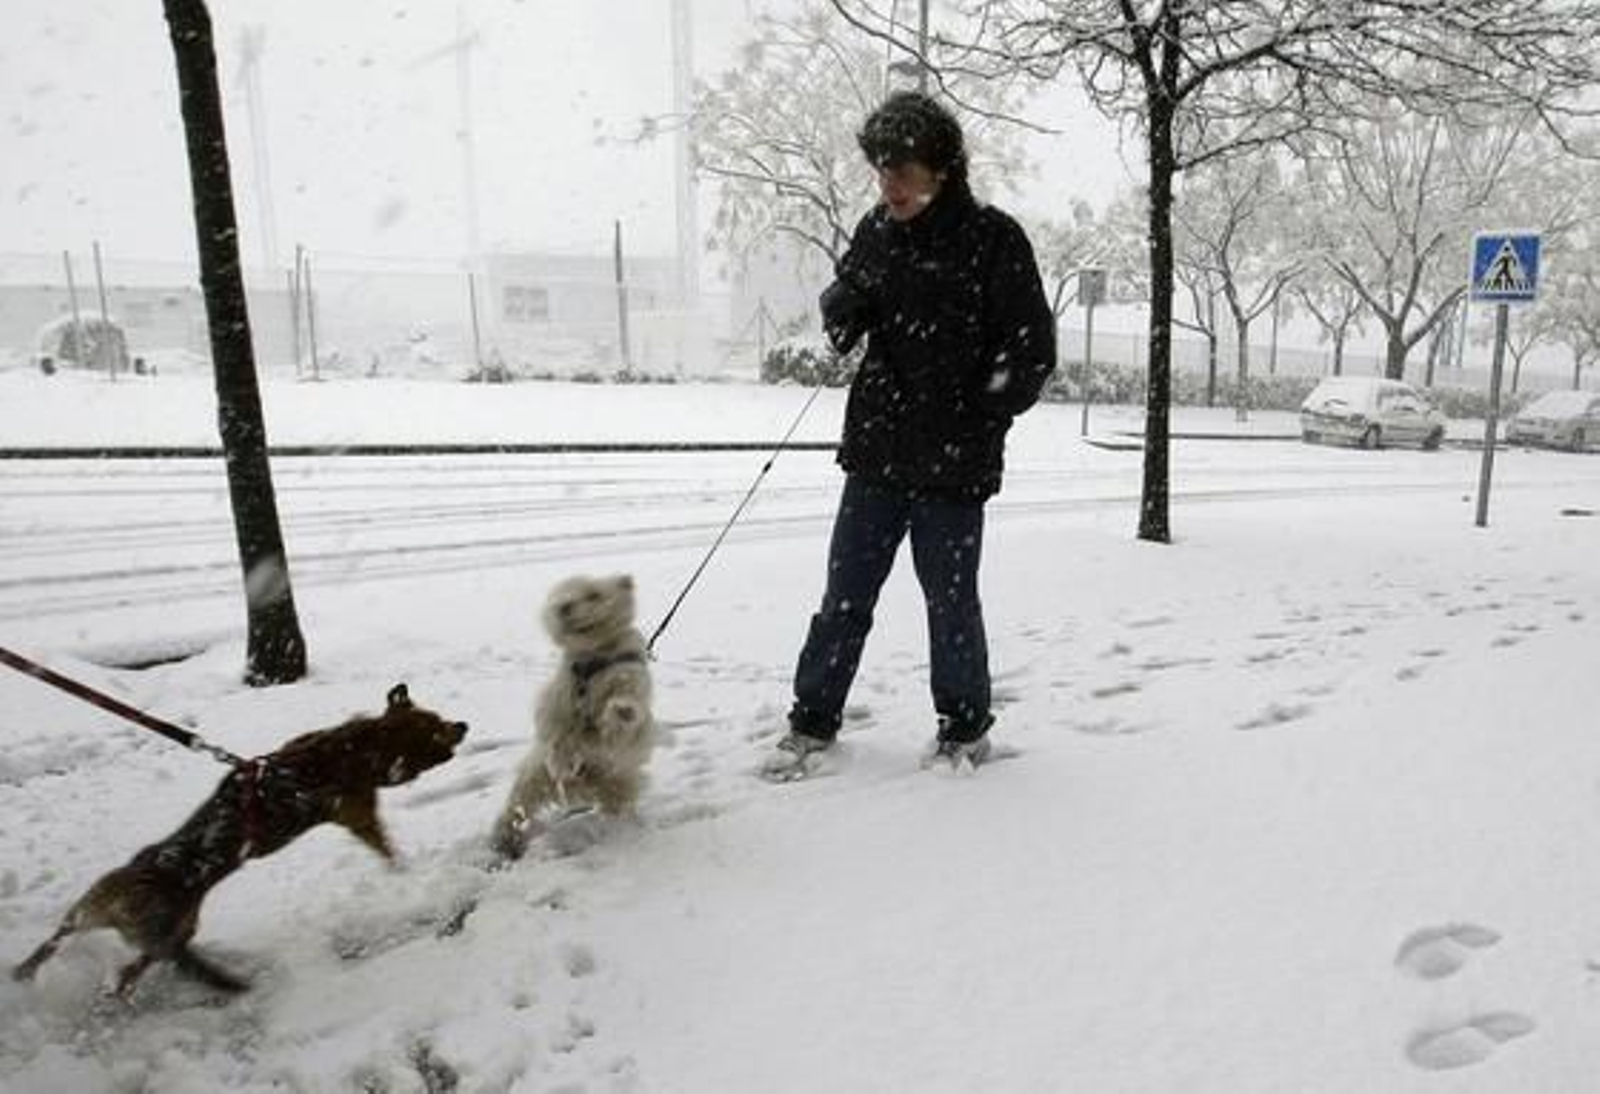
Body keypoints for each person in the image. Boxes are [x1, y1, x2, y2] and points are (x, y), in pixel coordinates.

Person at [766, 91, 1056, 777]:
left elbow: (1031, 354)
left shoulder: (994, 240)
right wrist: (849, 297)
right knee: (844, 599)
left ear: (942, 169)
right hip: (878, 453)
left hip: (954, 468)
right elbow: (844, 316)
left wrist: (977, 415)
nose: (887, 185)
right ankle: (811, 721)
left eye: (901, 170)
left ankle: (964, 730)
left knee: (950, 604)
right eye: (880, 170)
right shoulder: (878, 231)